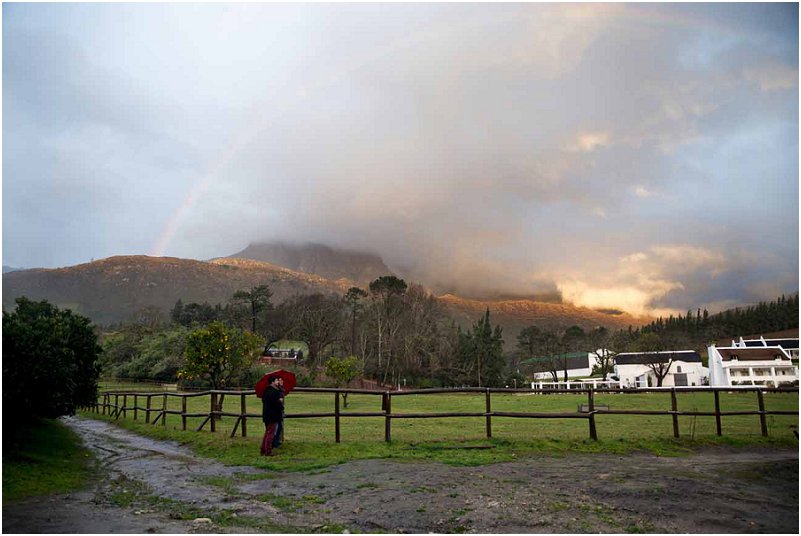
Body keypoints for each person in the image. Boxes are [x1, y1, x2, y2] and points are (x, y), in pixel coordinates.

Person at [261, 375, 284, 456]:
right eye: (277, 380)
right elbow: (276, 405)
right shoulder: (273, 392)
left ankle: (263, 449)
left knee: (267, 432)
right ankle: (268, 451)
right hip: (272, 416)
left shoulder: (266, 390)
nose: (278, 382)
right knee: (270, 433)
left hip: (267, 415)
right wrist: (280, 402)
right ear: (273, 382)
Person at [272, 382, 285, 449]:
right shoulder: (275, 390)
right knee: (276, 427)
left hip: (279, 410)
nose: (280, 381)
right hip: (276, 411)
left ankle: (276, 441)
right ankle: (274, 442)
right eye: (278, 380)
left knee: (279, 426)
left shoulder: (280, 389)